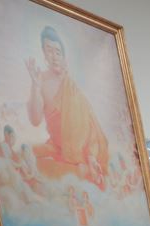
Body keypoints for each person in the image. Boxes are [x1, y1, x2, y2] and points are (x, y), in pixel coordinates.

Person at [26, 26, 109, 188]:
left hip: (79, 151)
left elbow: (88, 124)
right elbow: (35, 120)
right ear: (44, 53)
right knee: (28, 156)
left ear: (63, 56)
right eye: (50, 51)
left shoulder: (71, 85)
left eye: (58, 52)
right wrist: (35, 87)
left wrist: (91, 155)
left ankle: (86, 165)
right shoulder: (40, 80)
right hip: (56, 146)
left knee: (65, 173)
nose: (54, 56)